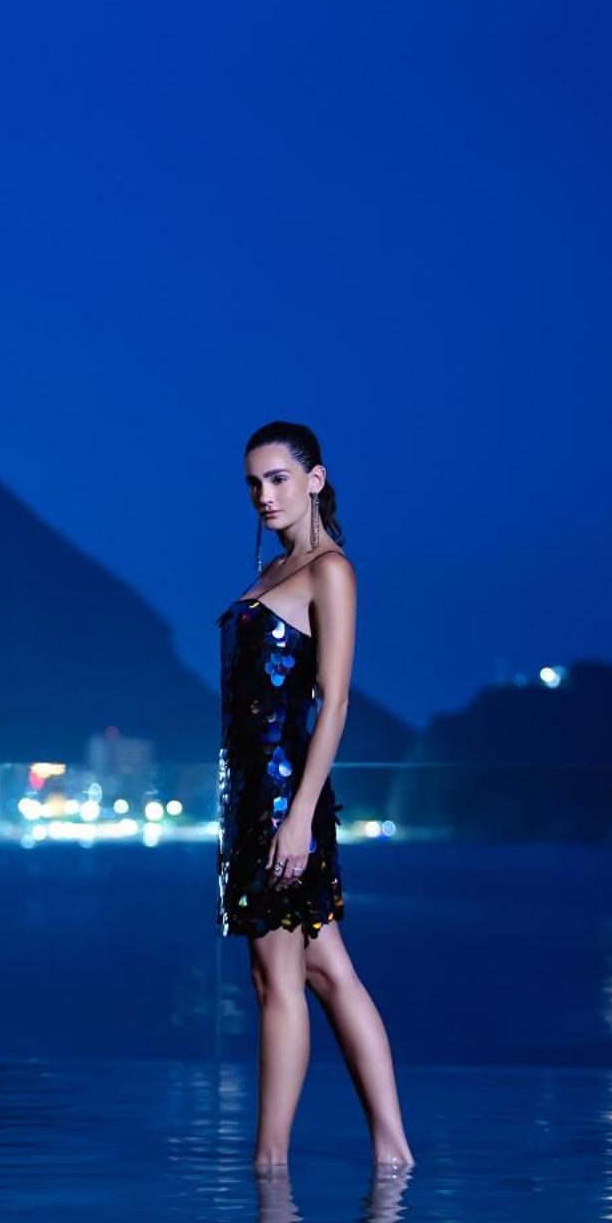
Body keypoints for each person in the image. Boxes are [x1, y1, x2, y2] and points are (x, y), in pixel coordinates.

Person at [215, 420, 414, 1173]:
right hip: (250, 799)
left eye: (278, 479)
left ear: (316, 479)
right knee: (327, 968)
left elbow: (333, 703)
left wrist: (297, 816)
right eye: (253, 483)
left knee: (278, 978)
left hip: (282, 804)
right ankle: (393, 1150)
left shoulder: (330, 569)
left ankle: (270, 1160)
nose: (264, 495)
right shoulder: (273, 570)